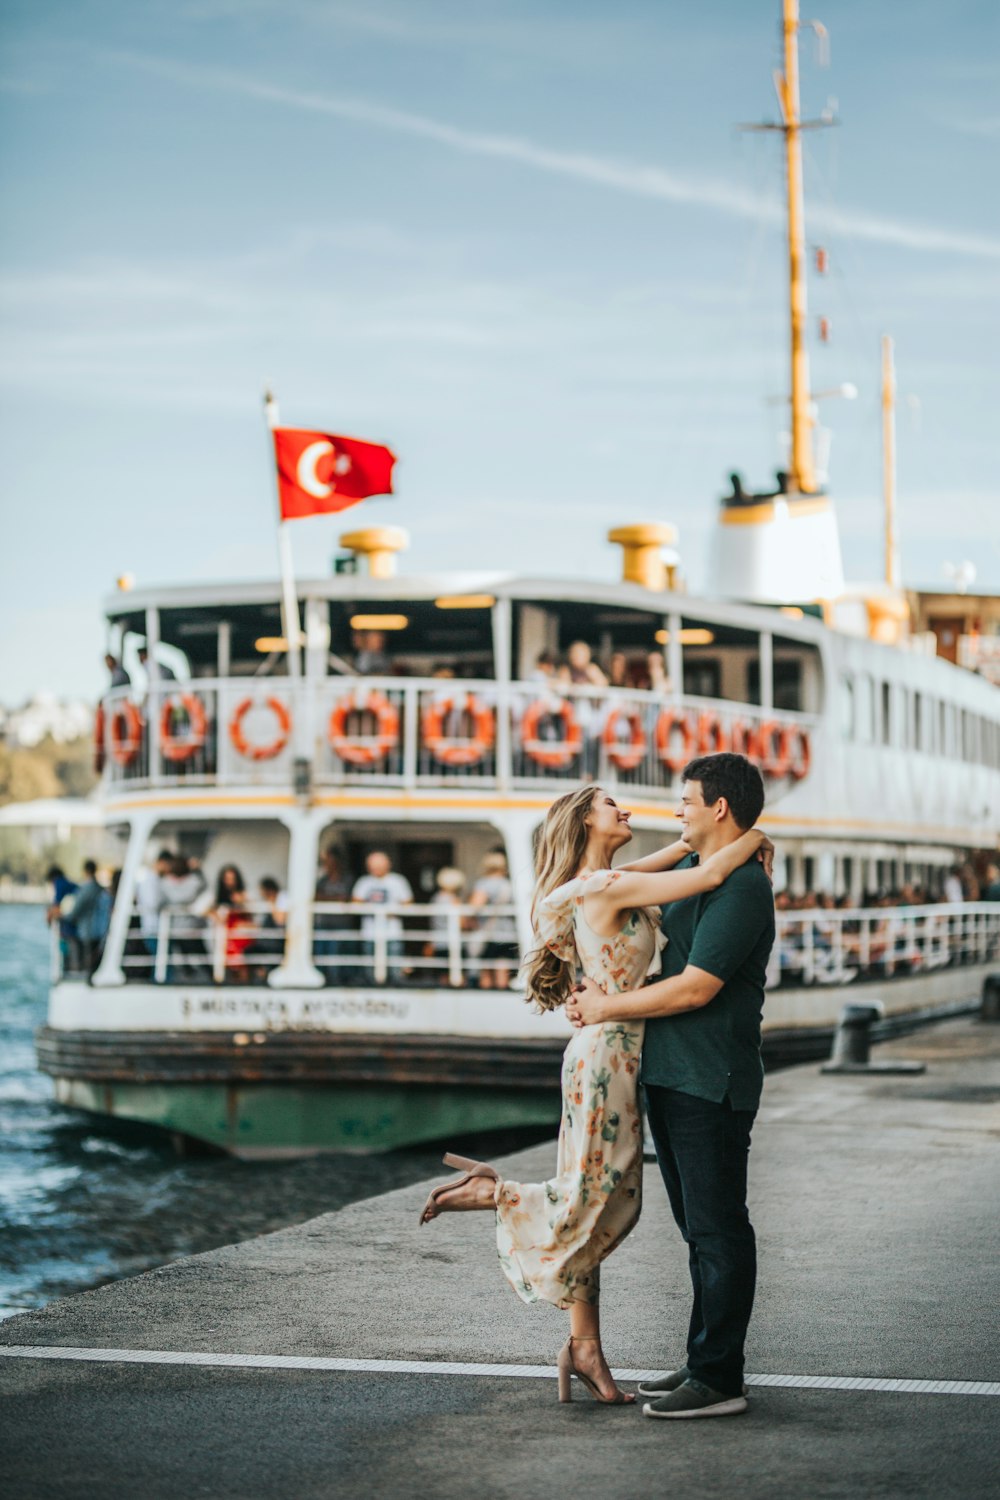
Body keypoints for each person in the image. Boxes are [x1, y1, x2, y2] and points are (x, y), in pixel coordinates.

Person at [419, 782, 770, 1406]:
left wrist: (703, 840)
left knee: (609, 1198)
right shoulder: (607, 888)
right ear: (585, 822)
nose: (626, 809)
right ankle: (494, 1192)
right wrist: (755, 838)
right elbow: (707, 869)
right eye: (611, 805)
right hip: (609, 1051)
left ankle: (586, 1346)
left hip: (615, 1051)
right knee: (598, 1193)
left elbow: (674, 858)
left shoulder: (605, 879)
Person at [566, 752, 776, 1420]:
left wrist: (604, 1008)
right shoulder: (694, 870)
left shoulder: (741, 886)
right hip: (671, 1074)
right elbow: (629, 885)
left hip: (711, 1077)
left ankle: (720, 1379)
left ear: (719, 806)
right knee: (697, 1230)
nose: (677, 809)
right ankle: (702, 1361)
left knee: (718, 1229)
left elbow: (696, 988)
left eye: (687, 801)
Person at [352, 851, 413, 983]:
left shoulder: (397, 881)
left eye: (379, 865)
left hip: (392, 933)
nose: (376, 869)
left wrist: (392, 912)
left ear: (388, 865)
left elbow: (407, 903)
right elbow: (356, 902)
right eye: (373, 866)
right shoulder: (364, 882)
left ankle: (396, 991)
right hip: (369, 933)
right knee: (370, 969)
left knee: (395, 969)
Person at [467, 851, 518, 990]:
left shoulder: (484, 884)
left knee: (486, 970)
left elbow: (474, 907)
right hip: (508, 933)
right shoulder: (510, 885)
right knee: (503, 967)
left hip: (489, 934)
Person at [161, 855, 209, 981]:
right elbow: (203, 885)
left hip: (176, 927)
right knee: (201, 954)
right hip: (192, 926)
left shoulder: (165, 883)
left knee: (183, 955)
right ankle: (211, 975)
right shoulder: (194, 881)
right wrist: (197, 870)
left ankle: (188, 975)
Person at [314, 847, 352, 985]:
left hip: (340, 924)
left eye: (330, 860)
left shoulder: (347, 879)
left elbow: (346, 898)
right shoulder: (323, 880)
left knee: (336, 955)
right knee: (320, 954)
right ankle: (322, 980)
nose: (328, 864)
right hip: (323, 923)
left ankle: (335, 981)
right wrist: (333, 898)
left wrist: (326, 897)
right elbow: (315, 896)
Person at [207, 865, 251, 982]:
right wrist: (214, 915)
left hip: (239, 934)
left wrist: (241, 904)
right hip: (225, 935)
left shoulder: (243, 895)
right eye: (227, 878)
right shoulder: (216, 898)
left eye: (232, 878)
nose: (230, 882)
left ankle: (243, 985)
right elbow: (202, 908)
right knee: (226, 963)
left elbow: (249, 913)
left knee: (241, 963)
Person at [135, 849, 172, 979]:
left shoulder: (153, 879)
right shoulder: (150, 880)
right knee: (161, 964)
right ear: (162, 863)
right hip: (153, 928)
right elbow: (152, 903)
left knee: (160, 963)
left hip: (155, 928)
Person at [70, 860, 112, 975]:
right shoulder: (101, 889)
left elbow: (75, 911)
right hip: (100, 931)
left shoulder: (86, 889)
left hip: (88, 932)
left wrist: (65, 917)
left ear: (85, 871)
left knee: (87, 964)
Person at [425, 866, 466, 985]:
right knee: (457, 976)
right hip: (452, 943)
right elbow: (461, 923)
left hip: (438, 942)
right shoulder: (453, 900)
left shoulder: (436, 898)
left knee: (442, 976)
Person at [247, 876, 288, 977]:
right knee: (248, 952)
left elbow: (280, 920)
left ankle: (266, 973)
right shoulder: (270, 903)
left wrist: (271, 903)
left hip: (277, 942)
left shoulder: (282, 898)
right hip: (267, 941)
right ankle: (262, 973)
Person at [45, 865, 80, 974]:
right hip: (76, 922)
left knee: (71, 948)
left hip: (71, 925)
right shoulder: (69, 884)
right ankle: (74, 969)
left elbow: (56, 905)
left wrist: (49, 917)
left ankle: (73, 970)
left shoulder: (60, 883)